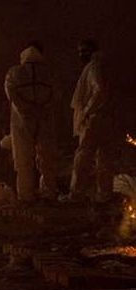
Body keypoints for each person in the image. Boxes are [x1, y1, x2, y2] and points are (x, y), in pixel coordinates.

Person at [4, 41, 57, 203]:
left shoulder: (15, 72)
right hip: (45, 118)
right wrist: (42, 107)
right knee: (46, 156)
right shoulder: (48, 73)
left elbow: (10, 92)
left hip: (22, 121)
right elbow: (57, 94)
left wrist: (25, 108)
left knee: (23, 157)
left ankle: (26, 196)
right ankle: (49, 192)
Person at [68, 39, 118, 203]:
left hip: (94, 119)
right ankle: (104, 195)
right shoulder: (104, 66)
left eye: (84, 51)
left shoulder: (93, 67)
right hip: (107, 118)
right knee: (104, 158)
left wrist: (88, 111)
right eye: (80, 51)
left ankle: (76, 195)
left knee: (83, 156)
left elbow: (100, 90)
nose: (82, 54)